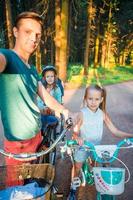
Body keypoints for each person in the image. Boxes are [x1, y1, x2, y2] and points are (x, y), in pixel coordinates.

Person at [0, 11, 69, 186]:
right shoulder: (7, 57)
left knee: (35, 185)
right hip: (17, 145)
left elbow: (48, 99)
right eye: (28, 32)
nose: (34, 38)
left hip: (37, 138)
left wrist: (65, 110)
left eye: (37, 34)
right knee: (16, 192)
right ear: (15, 32)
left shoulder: (32, 69)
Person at [72, 84, 133, 177]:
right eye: (90, 98)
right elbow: (75, 131)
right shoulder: (82, 114)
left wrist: (130, 135)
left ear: (101, 99)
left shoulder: (102, 114)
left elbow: (115, 131)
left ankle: (93, 178)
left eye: (97, 99)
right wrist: (77, 137)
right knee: (77, 167)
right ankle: (73, 184)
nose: (93, 102)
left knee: (95, 166)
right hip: (83, 146)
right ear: (85, 99)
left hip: (96, 147)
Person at [37, 65, 62, 131]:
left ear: (55, 77)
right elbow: (38, 101)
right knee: (40, 119)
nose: (50, 78)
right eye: (47, 76)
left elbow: (59, 102)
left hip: (53, 111)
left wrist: (53, 109)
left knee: (54, 119)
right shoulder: (42, 88)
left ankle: (53, 135)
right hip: (43, 112)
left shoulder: (57, 89)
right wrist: (43, 108)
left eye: (52, 76)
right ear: (44, 78)